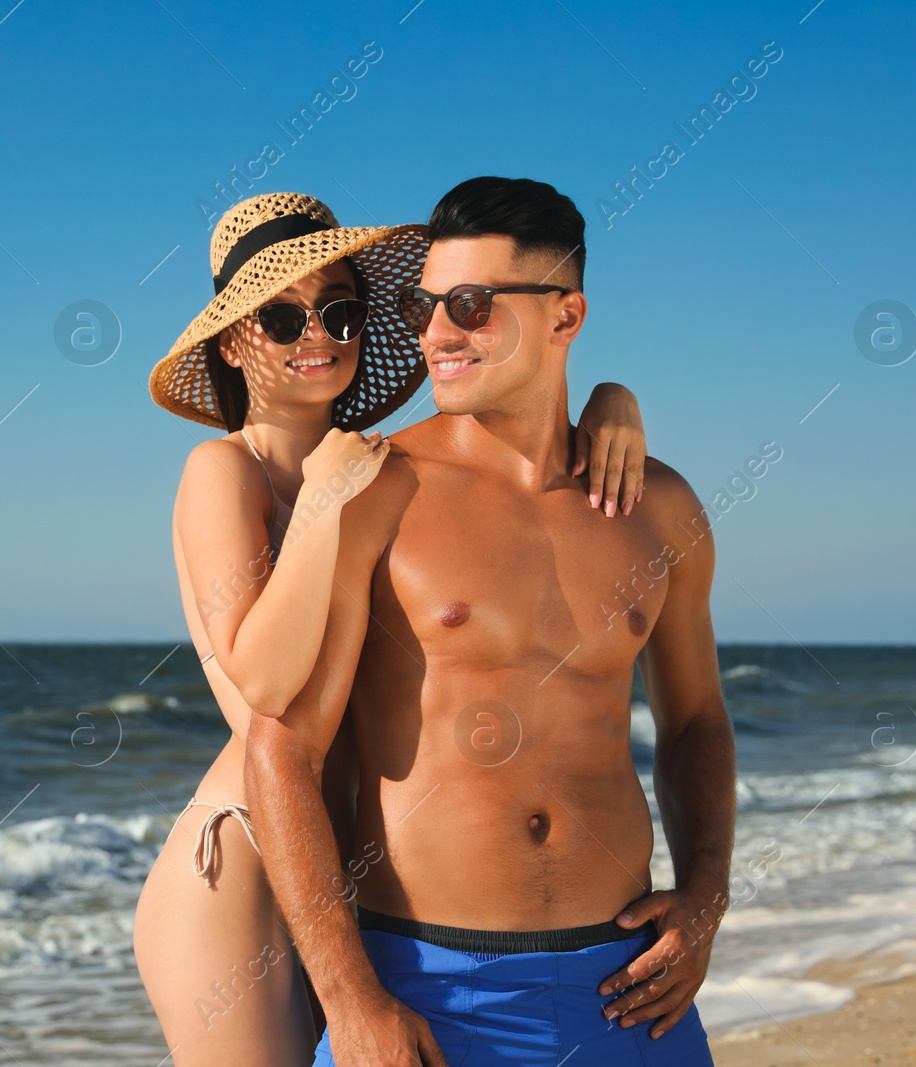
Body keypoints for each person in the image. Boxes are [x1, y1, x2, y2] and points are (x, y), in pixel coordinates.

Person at [136, 191, 653, 1066]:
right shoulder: (223, 472)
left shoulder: (373, 464)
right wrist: (326, 500)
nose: (320, 334)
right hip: (248, 864)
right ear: (232, 341)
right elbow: (263, 683)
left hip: (346, 870)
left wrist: (610, 396)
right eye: (282, 316)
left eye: (341, 310)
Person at [243, 177, 735, 1066]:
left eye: (469, 306)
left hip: (631, 989)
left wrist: (706, 895)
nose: (435, 332)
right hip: (429, 990)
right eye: (421, 305)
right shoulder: (370, 491)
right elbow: (282, 749)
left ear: (565, 316)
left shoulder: (661, 510)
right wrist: (350, 999)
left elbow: (695, 717)